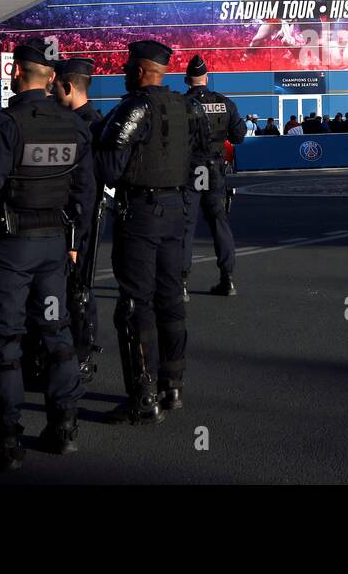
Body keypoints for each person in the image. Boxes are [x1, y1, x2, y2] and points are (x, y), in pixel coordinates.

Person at [0, 40, 93, 470]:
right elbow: (86, 191)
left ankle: (5, 442)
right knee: (56, 333)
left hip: (13, 248)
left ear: (15, 74)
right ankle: (63, 428)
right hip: (54, 247)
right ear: (52, 79)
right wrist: (73, 242)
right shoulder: (75, 126)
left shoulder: (5, 125)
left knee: (4, 339)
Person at [95, 40, 211, 424]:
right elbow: (202, 151)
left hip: (142, 213)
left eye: (130, 67)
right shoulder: (187, 106)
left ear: (142, 71)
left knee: (135, 304)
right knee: (170, 299)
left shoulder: (134, 107)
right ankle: (172, 385)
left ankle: (143, 394)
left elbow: (110, 167)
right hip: (177, 211)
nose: (126, 73)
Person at [51, 56, 106, 382]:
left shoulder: (85, 126)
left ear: (68, 86)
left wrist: (75, 233)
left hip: (80, 220)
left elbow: (88, 186)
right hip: (76, 217)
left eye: (56, 85)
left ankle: (82, 353)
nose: (52, 90)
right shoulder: (92, 123)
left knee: (78, 289)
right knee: (74, 288)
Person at [181, 54, 248, 300]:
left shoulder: (179, 104)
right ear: (207, 78)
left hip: (188, 169)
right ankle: (227, 278)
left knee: (185, 227)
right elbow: (239, 135)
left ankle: (182, 283)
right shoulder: (224, 103)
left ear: (187, 79)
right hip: (215, 169)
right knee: (220, 224)